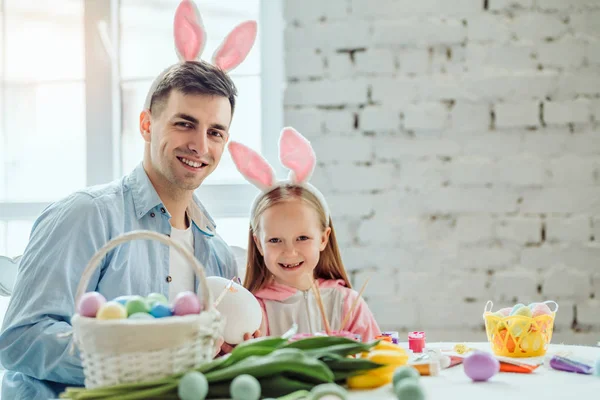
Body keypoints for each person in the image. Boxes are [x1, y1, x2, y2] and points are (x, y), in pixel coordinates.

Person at [0, 1, 258, 398]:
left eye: (216, 132)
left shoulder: (215, 253)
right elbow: (20, 339)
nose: (200, 145)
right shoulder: (87, 215)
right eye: (184, 123)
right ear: (146, 125)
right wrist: (137, 360)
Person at [229, 127, 381, 342]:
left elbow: (377, 360)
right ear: (259, 244)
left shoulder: (347, 304)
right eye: (274, 240)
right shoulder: (254, 311)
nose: (289, 251)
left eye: (302, 238)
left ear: (323, 238)